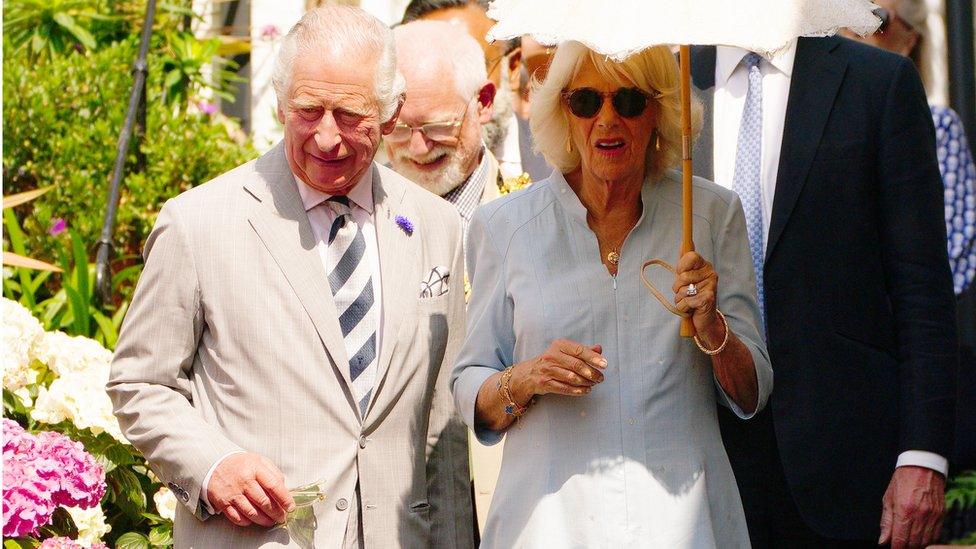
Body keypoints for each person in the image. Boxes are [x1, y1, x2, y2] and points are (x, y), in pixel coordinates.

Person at [107, 6, 474, 548]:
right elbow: (140, 383)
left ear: (390, 114)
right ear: (280, 102)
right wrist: (213, 466)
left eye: (350, 115)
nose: (327, 138)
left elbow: (445, 427)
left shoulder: (435, 226)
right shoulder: (198, 223)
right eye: (308, 111)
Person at [452, 41, 773, 547]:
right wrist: (529, 376)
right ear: (562, 110)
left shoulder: (710, 215)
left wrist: (713, 326)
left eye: (628, 101)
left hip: (682, 523)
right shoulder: (505, 226)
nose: (606, 120)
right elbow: (471, 388)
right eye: (585, 102)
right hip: (550, 523)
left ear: (660, 111)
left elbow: (752, 393)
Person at [691, 32, 959, 548]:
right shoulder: (665, 87)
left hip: (848, 471)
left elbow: (921, 287)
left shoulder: (877, 83)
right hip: (701, 467)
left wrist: (922, 455)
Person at [841, 0, 976, 479]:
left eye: (876, 19)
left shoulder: (939, 126)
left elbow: (950, 254)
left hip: (907, 352)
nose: (860, 30)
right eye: (852, 17)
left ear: (909, 38)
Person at [387, 20, 500, 243]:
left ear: (483, 103)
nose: (418, 149)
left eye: (436, 127)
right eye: (398, 129)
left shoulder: (533, 217)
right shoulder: (356, 214)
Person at [401, 0, 528, 180]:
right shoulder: (380, 188)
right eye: (432, 72)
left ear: (512, 68)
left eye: (471, 66)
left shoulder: (563, 165)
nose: (455, 91)